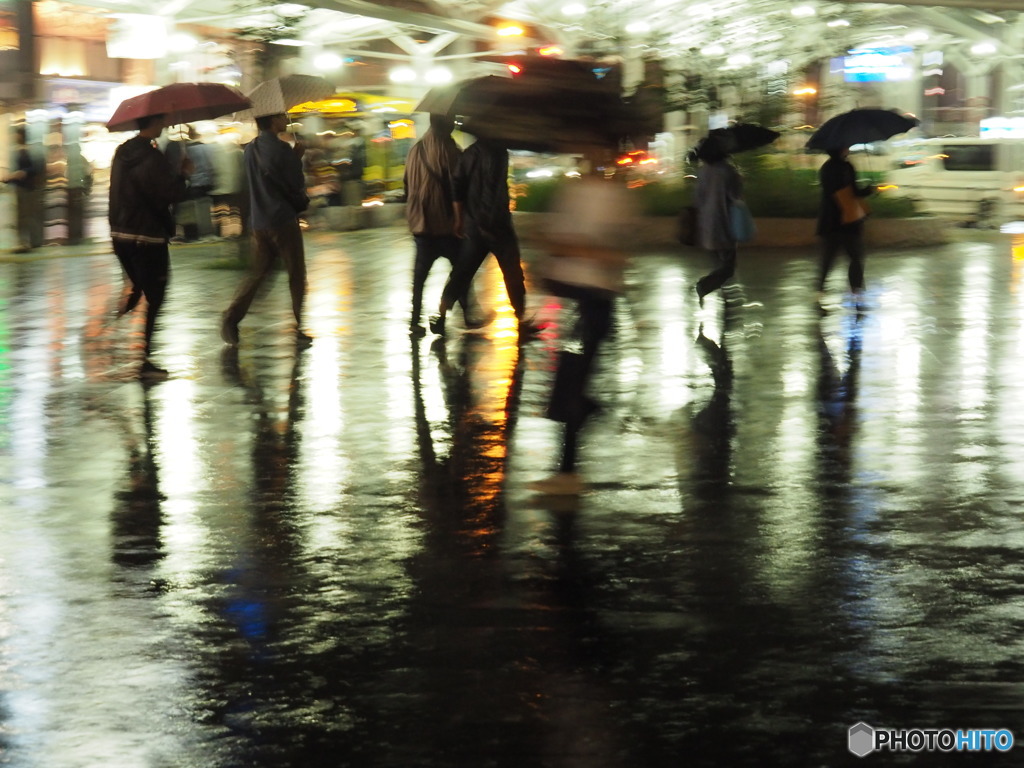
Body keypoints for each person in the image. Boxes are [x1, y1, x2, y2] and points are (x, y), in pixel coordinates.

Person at [529, 149, 638, 496]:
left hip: (593, 304)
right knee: (567, 386)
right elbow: (554, 240)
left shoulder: (615, 198)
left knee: (571, 386)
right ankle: (566, 468)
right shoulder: (572, 192)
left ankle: (568, 470)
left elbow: (617, 255)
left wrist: (573, 248)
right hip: (571, 300)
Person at [108, 113, 193, 379]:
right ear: (154, 124)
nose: (165, 126)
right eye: (162, 122)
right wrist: (183, 175)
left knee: (144, 287)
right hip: (148, 235)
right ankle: (144, 360)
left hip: (122, 233)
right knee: (156, 294)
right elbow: (170, 194)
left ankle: (134, 292)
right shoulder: (153, 158)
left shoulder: (122, 154)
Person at [221, 112, 312, 347]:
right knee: (296, 274)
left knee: (257, 274)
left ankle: (231, 317)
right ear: (272, 122)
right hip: (282, 220)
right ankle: (299, 326)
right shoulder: (282, 149)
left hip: (259, 222)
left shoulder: (250, 149)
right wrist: (296, 157)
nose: (285, 119)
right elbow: (295, 183)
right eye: (281, 116)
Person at [431, 137, 537, 338]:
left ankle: (441, 314)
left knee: (462, 272)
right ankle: (521, 320)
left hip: (474, 225)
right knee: (512, 272)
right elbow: (491, 189)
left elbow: (457, 184)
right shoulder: (499, 152)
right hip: (497, 225)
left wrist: (459, 218)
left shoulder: (469, 153)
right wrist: (489, 219)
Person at [403, 113, 479, 337]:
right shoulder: (451, 151)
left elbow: (407, 184)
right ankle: (467, 315)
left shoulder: (415, 149)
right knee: (461, 273)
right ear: (446, 126)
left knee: (419, 277)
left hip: (421, 226)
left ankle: (415, 321)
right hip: (447, 225)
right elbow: (461, 187)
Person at [816, 146, 873, 308]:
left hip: (830, 220)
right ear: (840, 149)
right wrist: (867, 190)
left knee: (828, 259)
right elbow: (851, 192)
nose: (848, 148)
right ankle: (856, 293)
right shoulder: (845, 167)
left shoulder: (826, 168)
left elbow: (835, 191)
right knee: (855, 257)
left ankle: (819, 293)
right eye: (845, 146)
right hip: (847, 220)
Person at [693, 134, 743, 307]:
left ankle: (727, 302)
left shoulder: (703, 171)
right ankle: (704, 287)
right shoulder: (728, 171)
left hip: (706, 226)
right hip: (725, 225)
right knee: (727, 268)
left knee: (720, 267)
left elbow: (697, 199)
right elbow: (736, 197)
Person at [4, 126, 44, 253]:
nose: (14, 137)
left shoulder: (29, 151)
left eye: (17, 134)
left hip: (27, 188)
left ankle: (30, 242)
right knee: (22, 216)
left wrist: (22, 173)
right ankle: (24, 242)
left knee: (27, 216)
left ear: (21, 136)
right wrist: (10, 178)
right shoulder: (18, 151)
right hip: (20, 187)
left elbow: (35, 169)